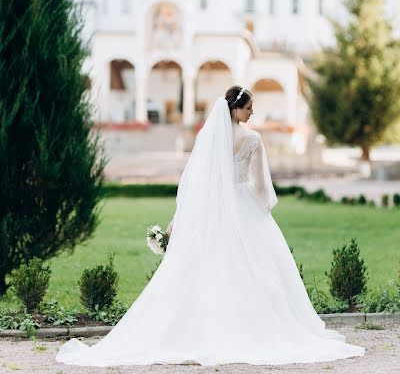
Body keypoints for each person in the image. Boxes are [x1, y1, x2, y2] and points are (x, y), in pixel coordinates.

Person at [56, 85, 366, 367]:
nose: (252, 113)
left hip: (212, 209)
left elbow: (194, 181)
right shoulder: (252, 139)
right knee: (251, 266)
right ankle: (246, 326)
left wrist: (181, 217)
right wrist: (264, 211)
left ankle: (209, 325)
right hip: (243, 206)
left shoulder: (208, 136)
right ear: (235, 109)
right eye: (249, 108)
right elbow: (260, 187)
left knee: (210, 265)